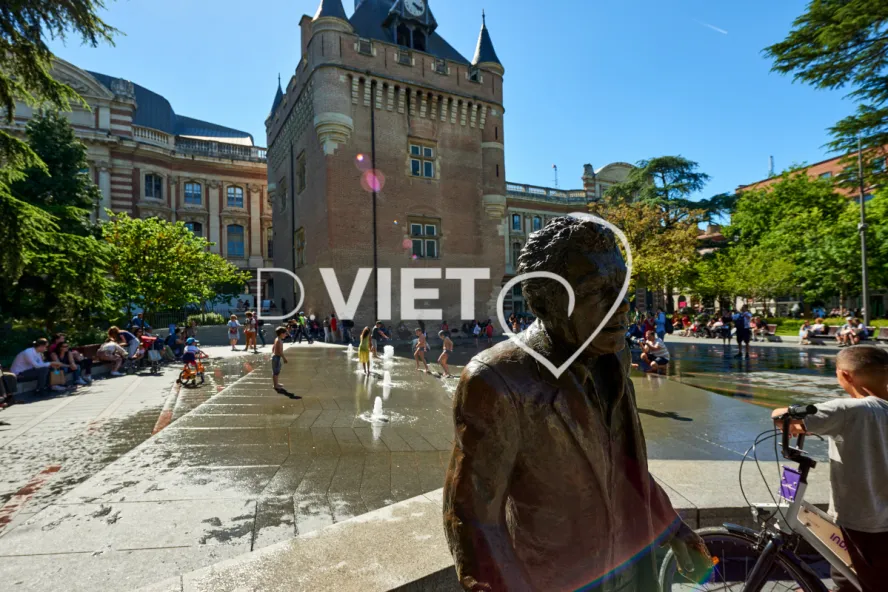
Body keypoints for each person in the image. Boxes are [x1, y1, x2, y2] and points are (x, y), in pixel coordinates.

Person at [444, 216, 708, 591]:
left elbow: (622, 464)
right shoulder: (497, 380)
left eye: (622, 288)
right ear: (544, 302)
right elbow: (473, 518)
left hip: (633, 574)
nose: (621, 306)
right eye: (598, 291)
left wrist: (673, 526)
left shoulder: (613, 357)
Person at [771, 345, 888, 592]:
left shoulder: (849, 410)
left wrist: (786, 417)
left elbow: (781, 417)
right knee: (848, 581)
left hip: (863, 521)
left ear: (845, 375)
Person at [271, 326, 289, 391]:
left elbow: (273, 347)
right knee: (275, 372)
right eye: (285, 333)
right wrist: (284, 358)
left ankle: (276, 383)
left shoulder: (277, 339)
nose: (286, 335)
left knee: (277, 371)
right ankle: (275, 385)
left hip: (275, 356)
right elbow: (281, 352)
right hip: (276, 357)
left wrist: (273, 352)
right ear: (281, 333)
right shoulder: (279, 341)